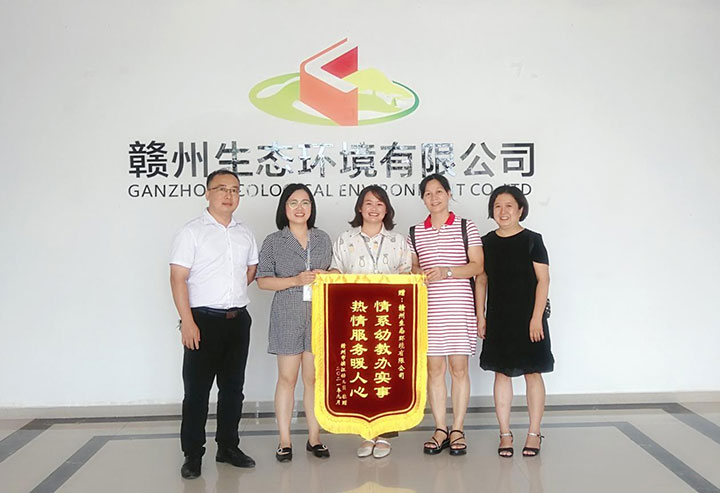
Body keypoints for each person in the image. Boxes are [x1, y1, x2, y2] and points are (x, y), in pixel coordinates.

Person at [169, 169, 258, 479]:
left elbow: (250, 272)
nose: (228, 195)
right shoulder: (191, 232)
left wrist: (229, 296)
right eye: (222, 189)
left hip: (238, 320)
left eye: (234, 189)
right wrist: (188, 321)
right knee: (196, 392)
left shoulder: (245, 232)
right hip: (202, 321)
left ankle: (228, 447)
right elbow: (178, 278)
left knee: (233, 389)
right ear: (207, 193)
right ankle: (193, 454)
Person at [330, 185, 412, 458]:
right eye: (368, 203)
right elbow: (336, 269)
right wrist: (328, 275)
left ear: (386, 209)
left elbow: (407, 274)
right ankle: (366, 434)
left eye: (379, 204)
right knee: (361, 374)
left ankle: (385, 435)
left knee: (386, 373)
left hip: (389, 318)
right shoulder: (345, 239)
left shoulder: (398, 241)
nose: (374, 209)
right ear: (360, 208)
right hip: (356, 317)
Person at [408, 174, 484, 456]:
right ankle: (440, 428)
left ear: (449, 194)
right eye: (428, 194)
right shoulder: (415, 232)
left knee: (459, 369)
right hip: (429, 310)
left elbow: (477, 266)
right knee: (434, 370)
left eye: (439, 191)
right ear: (423, 199)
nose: (434, 198)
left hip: (459, 308)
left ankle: (458, 428)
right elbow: (411, 267)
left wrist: (447, 271)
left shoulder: (466, 226)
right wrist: (418, 273)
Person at [257, 184, 333, 462]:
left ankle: (315, 438)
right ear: (284, 208)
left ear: (312, 208)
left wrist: (329, 274)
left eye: (305, 202)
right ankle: (285, 440)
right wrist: (295, 280)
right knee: (287, 379)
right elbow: (263, 281)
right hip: (287, 315)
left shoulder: (322, 238)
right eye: (293, 203)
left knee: (313, 379)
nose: (300, 208)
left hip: (318, 316)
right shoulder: (273, 241)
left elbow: (335, 272)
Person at [477, 185, 554, 457]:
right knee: (501, 373)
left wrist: (536, 318)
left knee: (533, 373)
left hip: (530, 319)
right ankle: (505, 434)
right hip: (499, 319)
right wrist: (480, 315)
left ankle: (534, 433)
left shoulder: (533, 240)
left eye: (509, 205)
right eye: (497, 206)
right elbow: (481, 280)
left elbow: (543, 280)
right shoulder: (486, 242)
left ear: (520, 209)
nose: (503, 211)